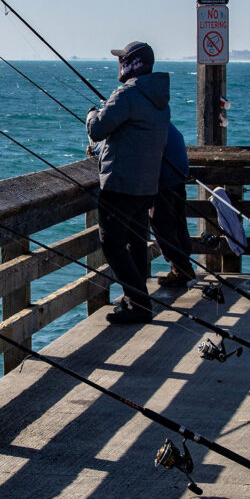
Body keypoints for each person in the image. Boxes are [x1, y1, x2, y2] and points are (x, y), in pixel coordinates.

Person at [86, 41, 170, 324]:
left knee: (111, 244)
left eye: (121, 59)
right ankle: (134, 300)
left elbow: (98, 130)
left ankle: (139, 304)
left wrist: (91, 114)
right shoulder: (158, 97)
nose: (118, 64)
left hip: (120, 184)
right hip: (146, 186)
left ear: (132, 63)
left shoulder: (127, 95)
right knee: (135, 243)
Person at [151, 123, 196, 288]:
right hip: (178, 177)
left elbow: (126, 145)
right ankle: (182, 268)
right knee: (178, 223)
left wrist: (97, 150)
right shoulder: (165, 122)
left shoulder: (145, 122)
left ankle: (181, 267)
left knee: (161, 224)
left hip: (164, 181)